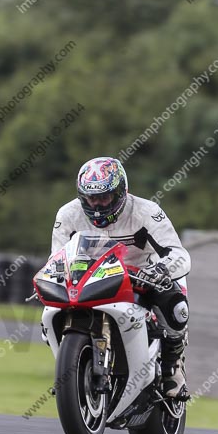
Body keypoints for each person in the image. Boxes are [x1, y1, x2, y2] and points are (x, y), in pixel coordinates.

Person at [51, 156, 191, 399]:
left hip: (144, 275)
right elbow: (56, 258)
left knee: (177, 307)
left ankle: (173, 365)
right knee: (51, 310)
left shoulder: (147, 212)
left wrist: (161, 271)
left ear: (120, 192)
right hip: (92, 277)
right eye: (91, 198)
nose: (97, 206)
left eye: (104, 197)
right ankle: (71, 371)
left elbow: (178, 253)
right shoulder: (68, 214)